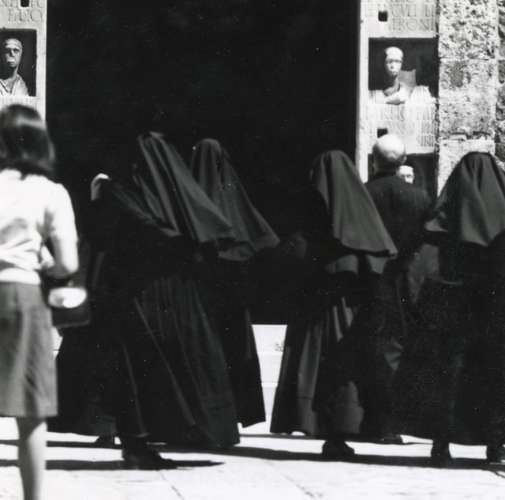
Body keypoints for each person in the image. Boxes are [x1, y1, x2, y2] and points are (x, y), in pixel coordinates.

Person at [270, 150, 397, 458]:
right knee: (347, 368)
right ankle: (344, 432)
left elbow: (294, 257)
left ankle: (325, 430)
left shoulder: (311, 217)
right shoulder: (361, 217)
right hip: (349, 309)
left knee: (316, 367)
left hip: (317, 309)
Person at [394, 152, 505, 465]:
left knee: (447, 377)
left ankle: (441, 445)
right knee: (494, 375)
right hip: (494, 311)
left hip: (450, 310)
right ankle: (495, 444)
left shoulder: (441, 221)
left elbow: (419, 268)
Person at [0, 105, 78, 500]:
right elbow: (68, 262)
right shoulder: (51, 192)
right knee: (30, 412)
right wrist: (44, 260)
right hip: (23, 295)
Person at [190, 138, 279, 427]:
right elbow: (259, 240)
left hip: (200, 296)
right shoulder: (236, 201)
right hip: (233, 297)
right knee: (233, 350)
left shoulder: (189, 202)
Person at [351, 134, 431, 443]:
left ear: (374, 160)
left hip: (370, 281)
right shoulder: (420, 197)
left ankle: (371, 420)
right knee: (400, 349)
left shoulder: (363, 193)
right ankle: (394, 422)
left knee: (370, 348)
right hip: (407, 281)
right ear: (403, 161)